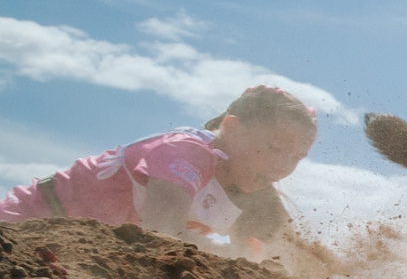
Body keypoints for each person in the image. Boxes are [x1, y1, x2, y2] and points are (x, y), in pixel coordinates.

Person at [1, 86, 317, 247]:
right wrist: (231, 257)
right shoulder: (187, 152)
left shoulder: (252, 192)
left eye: (296, 157)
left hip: (69, 254)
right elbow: (162, 231)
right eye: (275, 148)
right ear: (232, 129)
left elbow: (279, 254)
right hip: (23, 223)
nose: (283, 167)